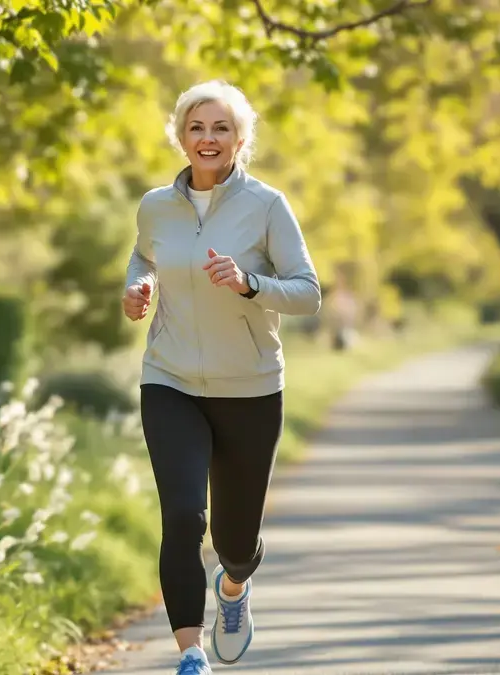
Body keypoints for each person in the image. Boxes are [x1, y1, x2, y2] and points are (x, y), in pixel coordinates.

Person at [120, 80, 322, 675]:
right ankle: (190, 653)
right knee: (183, 516)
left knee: (235, 541)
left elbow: (309, 294)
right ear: (181, 137)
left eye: (221, 129)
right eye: (197, 128)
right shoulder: (156, 204)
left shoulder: (266, 205)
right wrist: (139, 289)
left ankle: (232, 588)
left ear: (240, 140)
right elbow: (143, 255)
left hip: (250, 388)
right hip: (170, 379)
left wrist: (249, 284)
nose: (208, 139)